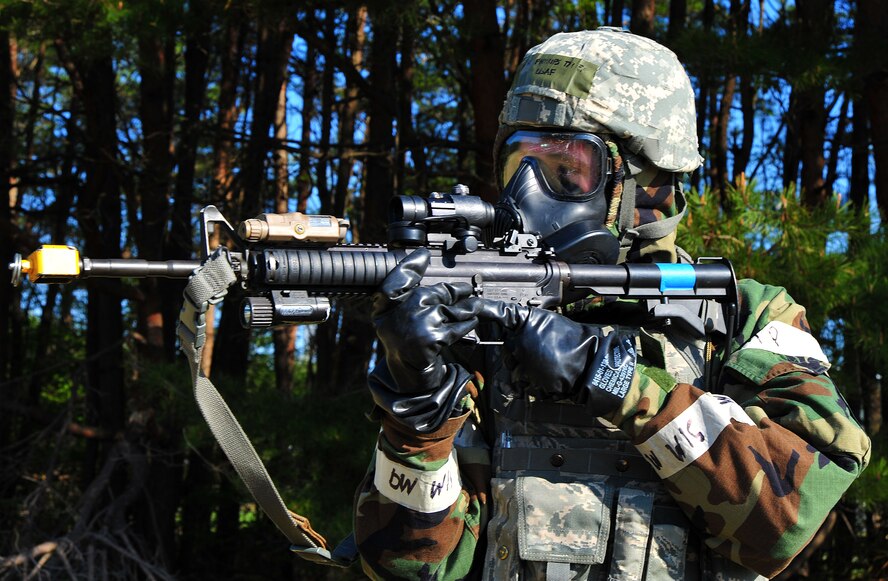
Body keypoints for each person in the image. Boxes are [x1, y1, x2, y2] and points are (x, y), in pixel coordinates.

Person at [353, 27, 871, 580]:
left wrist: (615, 378)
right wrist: (418, 413)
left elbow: (785, 521)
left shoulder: (748, 318)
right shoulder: (481, 332)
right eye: (518, 164)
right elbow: (410, 568)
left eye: (567, 170)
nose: (528, 194)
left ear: (645, 180)